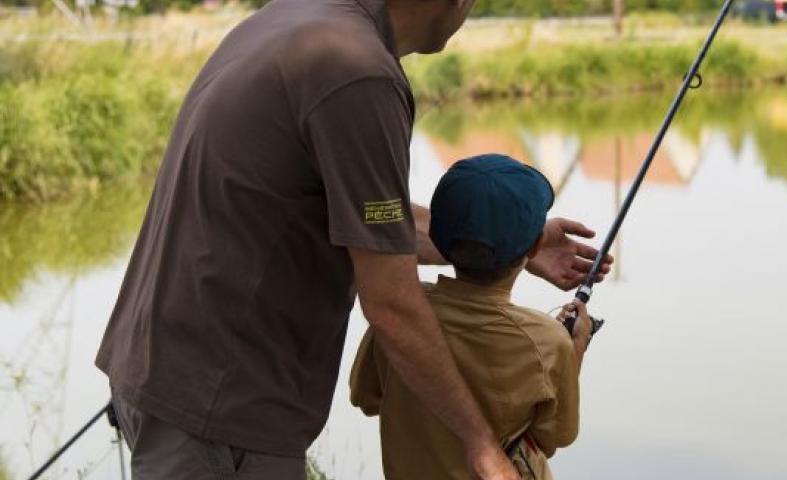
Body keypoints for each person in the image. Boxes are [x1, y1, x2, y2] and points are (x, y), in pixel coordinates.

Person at [93, 0, 611, 477]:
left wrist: (512, 240)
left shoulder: (300, 17)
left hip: (166, 367)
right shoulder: (358, 74)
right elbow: (390, 305)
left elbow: (362, 219)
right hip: (219, 403)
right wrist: (480, 444)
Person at [350, 154, 593, 480]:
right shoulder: (547, 342)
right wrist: (573, 352)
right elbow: (554, 436)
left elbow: (365, 397)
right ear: (537, 245)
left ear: (435, 236)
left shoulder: (401, 314)